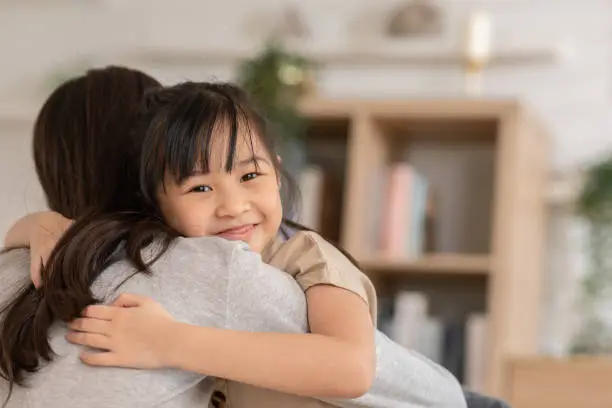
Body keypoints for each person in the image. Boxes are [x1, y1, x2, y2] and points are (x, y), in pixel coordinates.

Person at [6, 80, 466, 407]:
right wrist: (39, 224)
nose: (233, 205)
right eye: (200, 188)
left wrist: (171, 342)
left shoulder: (306, 256)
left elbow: (351, 368)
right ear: (154, 206)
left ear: (276, 170)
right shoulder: (191, 259)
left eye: (250, 176)